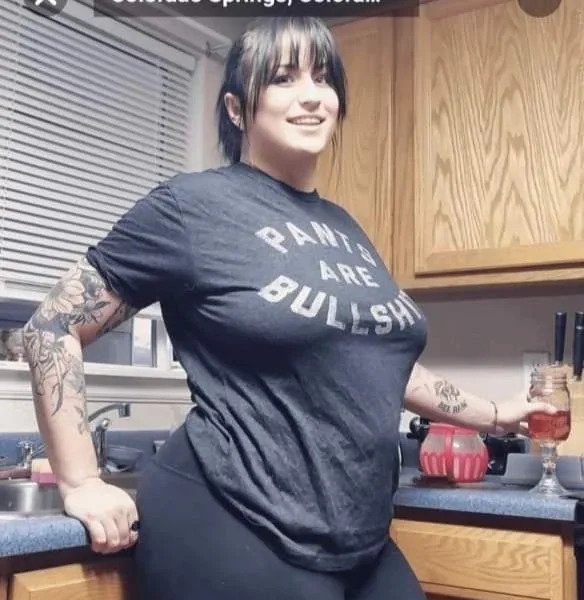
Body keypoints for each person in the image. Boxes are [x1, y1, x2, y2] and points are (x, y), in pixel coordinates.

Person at [22, 17, 554, 600]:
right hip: (232, 516)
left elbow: (379, 364)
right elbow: (53, 323)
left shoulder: (345, 227)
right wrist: (81, 479)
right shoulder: (192, 207)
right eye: (283, 78)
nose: (312, 96)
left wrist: (496, 415)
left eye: (323, 79)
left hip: (359, 537)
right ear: (236, 108)